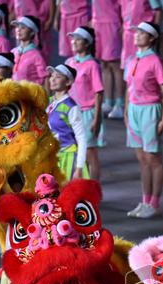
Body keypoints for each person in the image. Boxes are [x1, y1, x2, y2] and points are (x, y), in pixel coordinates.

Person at [124, 21, 163, 219]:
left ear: (151, 38)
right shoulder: (132, 59)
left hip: (150, 110)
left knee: (153, 159)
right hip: (134, 110)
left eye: (141, 33)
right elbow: (129, 88)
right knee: (142, 159)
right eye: (136, 32)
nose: (136, 35)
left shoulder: (155, 61)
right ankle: (145, 200)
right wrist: (126, 111)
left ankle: (155, 203)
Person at [65, 25, 105, 175]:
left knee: (89, 154)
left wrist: (97, 118)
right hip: (72, 113)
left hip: (87, 113)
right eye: (73, 38)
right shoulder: (69, 62)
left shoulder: (92, 65)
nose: (74, 41)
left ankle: (93, 188)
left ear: (87, 43)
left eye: (78, 39)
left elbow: (99, 93)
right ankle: (82, 187)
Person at [47, 63, 88, 180]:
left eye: (58, 77)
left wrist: (79, 167)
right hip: (51, 157)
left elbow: (81, 138)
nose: (53, 79)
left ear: (68, 82)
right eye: (52, 76)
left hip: (67, 159)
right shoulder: (49, 102)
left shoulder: (71, 107)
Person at [91, 0, 124, 116]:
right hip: (98, 24)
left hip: (111, 23)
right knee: (104, 64)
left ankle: (120, 103)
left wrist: (123, 23)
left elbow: (123, 5)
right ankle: (108, 101)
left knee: (115, 64)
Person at [12, 16, 48, 85]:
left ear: (32, 32)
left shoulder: (36, 55)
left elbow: (45, 78)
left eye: (23, 27)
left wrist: (47, 96)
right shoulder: (13, 52)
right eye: (17, 27)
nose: (18, 30)